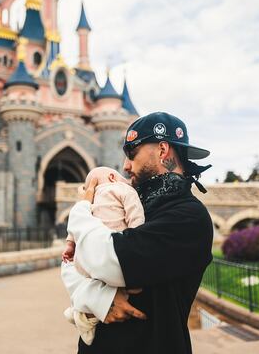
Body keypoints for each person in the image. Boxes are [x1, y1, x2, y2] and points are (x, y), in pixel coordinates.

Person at [61, 111, 214, 354]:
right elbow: (71, 261)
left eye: (132, 153)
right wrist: (98, 298)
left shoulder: (188, 217)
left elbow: (109, 260)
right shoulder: (128, 201)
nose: (125, 165)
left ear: (163, 151)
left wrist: (80, 211)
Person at [62, 166, 145, 345]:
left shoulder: (89, 202)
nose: (126, 169)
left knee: (94, 281)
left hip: (85, 258)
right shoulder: (126, 190)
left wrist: (70, 244)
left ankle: (81, 312)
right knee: (130, 286)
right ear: (112, 177)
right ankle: (83, 314)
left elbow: (76, 227)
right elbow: (136, 218)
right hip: (113, 248)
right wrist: (136, 235)